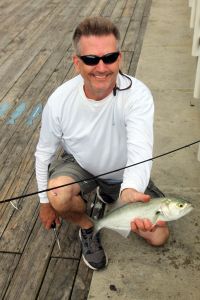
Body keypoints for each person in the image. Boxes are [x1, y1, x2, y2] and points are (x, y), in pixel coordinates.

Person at [35, 16, 169, 270]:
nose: (102, 67)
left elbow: (140, 151)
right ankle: (88, 226)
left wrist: (131, 190)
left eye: (109, 57)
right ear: (77, 62)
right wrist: (44, 202)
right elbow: (43, 153)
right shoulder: (59, 100)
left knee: (159, 236)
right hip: (82, 165)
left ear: (119, 57)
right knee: (57, 195)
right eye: (91, 59)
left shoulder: (137, 94)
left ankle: (111, 192)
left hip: (124, 173)